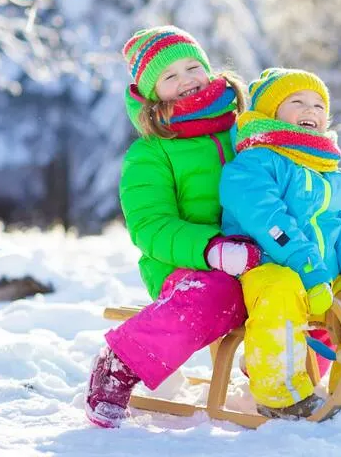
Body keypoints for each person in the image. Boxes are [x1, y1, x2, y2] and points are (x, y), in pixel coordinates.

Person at [84, 26, 261, 428]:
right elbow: (151, 225)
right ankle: (121, 363)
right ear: (151, 94)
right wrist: (211, 248)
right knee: (216, 293)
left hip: (259, 254)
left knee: (310, 284)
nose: (185, 80)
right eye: (169, 76)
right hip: (188, 267)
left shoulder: (247, 130)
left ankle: (280, 376)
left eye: (192, 66)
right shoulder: (151, 153)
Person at [220, 68, 341, 421]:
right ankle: (280, 393)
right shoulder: (253, 163)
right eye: (297, 101)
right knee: (280, 290)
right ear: (270, 113)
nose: (312, 110)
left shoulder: (332, 173)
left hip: (323, 277)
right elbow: (269, 221)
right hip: (266, 269)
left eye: (320, 104)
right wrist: (307, 268)